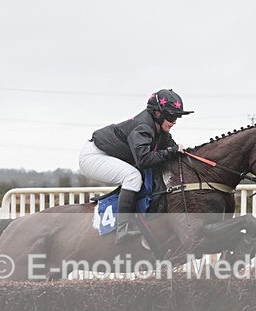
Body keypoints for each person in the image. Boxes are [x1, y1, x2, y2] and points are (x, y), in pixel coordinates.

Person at [79, 89, 193, 244]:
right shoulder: (143, 127)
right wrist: (170, 152)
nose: (174, 122)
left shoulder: (161, 131)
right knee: (132, 176)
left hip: (107, 154)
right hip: (93, 156)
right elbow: (144, 160)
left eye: (177, 117)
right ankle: (122, 229)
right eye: (171, 116)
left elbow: (173, 153)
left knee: (135, 175)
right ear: (157, 113)